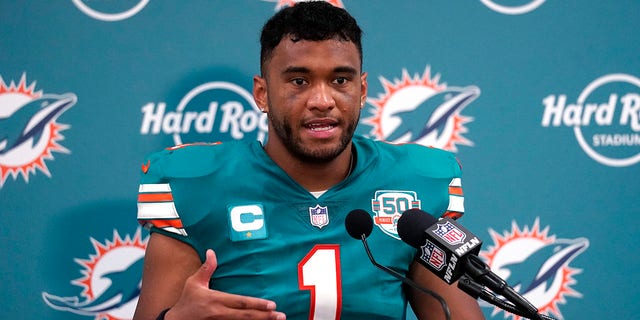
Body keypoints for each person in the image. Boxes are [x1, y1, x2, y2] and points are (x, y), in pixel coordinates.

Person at [133, 2, 484, 319]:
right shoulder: (197, 183)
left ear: (362, 91)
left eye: (340, 80)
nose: (322, 100)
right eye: (299, 81)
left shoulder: (416, 181)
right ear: (262, 93)